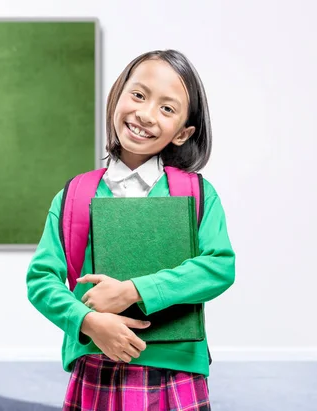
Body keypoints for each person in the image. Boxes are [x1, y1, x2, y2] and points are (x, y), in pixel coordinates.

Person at [25, 49, 235, 411]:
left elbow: (219, 266)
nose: (145, 114)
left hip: (176, 369)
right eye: (138, 95)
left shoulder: (198, 194)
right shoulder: (75, 195)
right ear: (117, 95)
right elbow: (41, 279)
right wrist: (88, 322)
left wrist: (133, 291)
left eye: (167, 108)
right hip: (97, 361)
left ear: (183, 133)